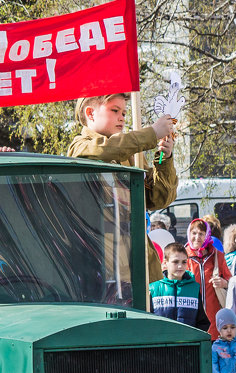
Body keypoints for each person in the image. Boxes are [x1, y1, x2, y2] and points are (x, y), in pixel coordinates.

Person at [68, 94, 177, 282]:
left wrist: (163, 158)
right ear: (90, 113)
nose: (122, 117)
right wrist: (151, 133)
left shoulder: (130, 154)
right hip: (101, 259)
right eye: (115, 110)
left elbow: (158, 199)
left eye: (125, 112)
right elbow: (106, 149)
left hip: (136, 257)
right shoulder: (80, 147)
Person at [184, 218, 230, 339]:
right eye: (194, 233)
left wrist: (224, 283)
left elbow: (232, 282)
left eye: (201, 234)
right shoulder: (183, 256)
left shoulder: (217, 256)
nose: (197, 237)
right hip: (191, 317)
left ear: (207, 235)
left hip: (214, 319)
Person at [148, 242, 211, 330]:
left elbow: (202, 322)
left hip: (187, 343)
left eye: (184, 262)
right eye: (175, 262)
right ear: (165, 263)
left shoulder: (194, 288)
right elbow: (148, 321)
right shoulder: (154, 288)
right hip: (161, 342)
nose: (180, 266)